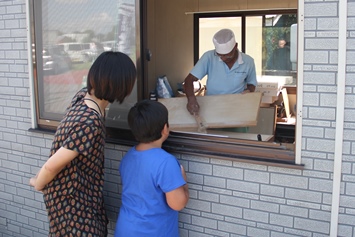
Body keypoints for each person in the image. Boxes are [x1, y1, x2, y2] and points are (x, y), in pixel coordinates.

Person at [29, 51, 137, 237]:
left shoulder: (83, 97)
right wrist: (38, 183)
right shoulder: (89, 122)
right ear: (120, 85)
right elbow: (52, 165)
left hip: (78, 194)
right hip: (73, 205)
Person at [114, 100, 189, 237]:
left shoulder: (128, 157)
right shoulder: (166, 162)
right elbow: (178, 204)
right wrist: (183, 181)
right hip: (154, 231)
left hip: (125, 229)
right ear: (165, 128)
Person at [183, 28, 257, 115]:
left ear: (236, 46)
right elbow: (188, 80)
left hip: (237, 108)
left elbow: (252, 84)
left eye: (227, 56)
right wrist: (191, 99)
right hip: (211, 107)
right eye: (220, 56)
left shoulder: (248, 61)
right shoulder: (209, 57)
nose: (223, 59)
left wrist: (249, 91)